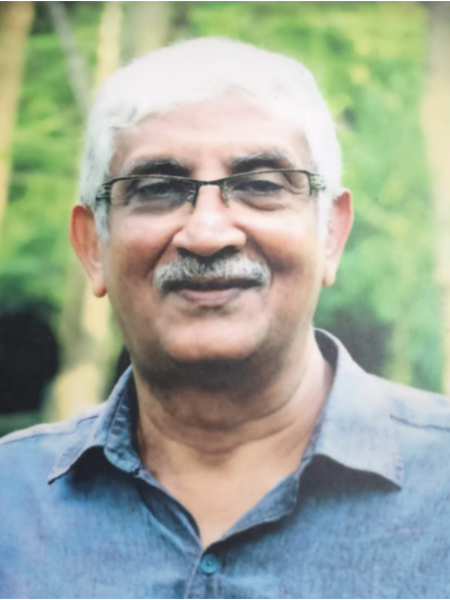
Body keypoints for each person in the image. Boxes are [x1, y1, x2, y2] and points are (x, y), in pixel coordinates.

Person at [1, 37, 449, 599]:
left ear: (331, 234)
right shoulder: (11, 507)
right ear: (93, 246)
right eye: (158, 189)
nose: (208, 234)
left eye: (260, 186)